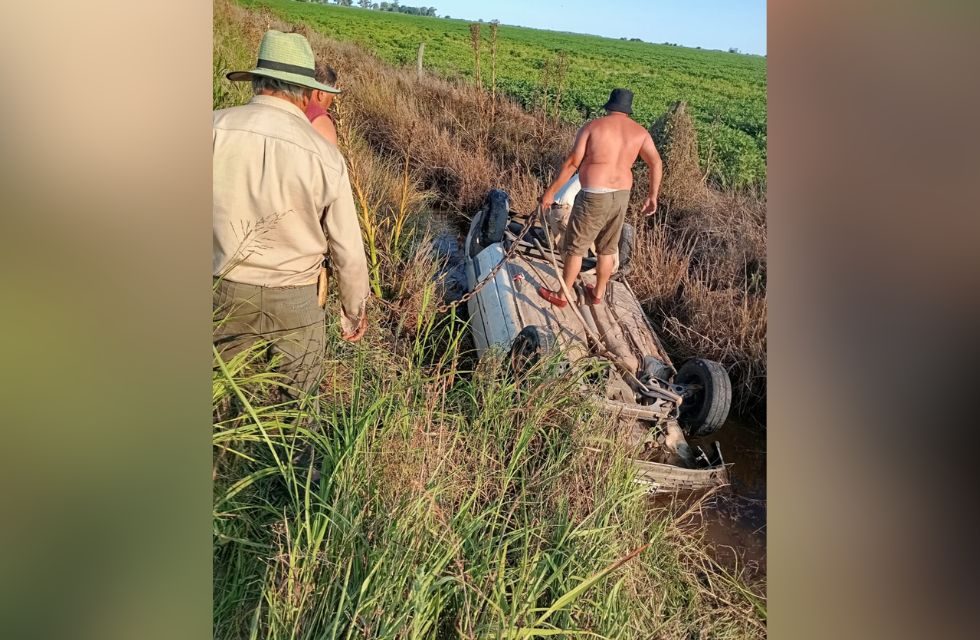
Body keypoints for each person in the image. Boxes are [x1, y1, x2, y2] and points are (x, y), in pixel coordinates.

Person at [213, 30, 370, 396]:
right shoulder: (325, 154)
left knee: (221, 405)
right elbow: (347, 245)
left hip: (220, 289)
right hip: (296, 300)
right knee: (297, 415)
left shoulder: (213, 128)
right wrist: (352, 311)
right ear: (305, 92)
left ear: (258, 81)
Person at [537, 88, 662, 307]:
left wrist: (550, 192)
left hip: (594, 195)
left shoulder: (593, 127)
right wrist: (653, 195)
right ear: (627, 110)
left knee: (575, 246)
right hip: (621, 195)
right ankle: (598, 293)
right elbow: (656, 163)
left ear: (609, 106)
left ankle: (562, 294)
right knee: (608, 247)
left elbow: (573, 163)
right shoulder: (640, 133)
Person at [305, 64, 339, 145]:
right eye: (331, 98)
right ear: (321, 94)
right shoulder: (320, 119)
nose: (331, 103)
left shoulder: (294, 102)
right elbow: (329, 156)